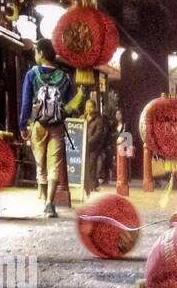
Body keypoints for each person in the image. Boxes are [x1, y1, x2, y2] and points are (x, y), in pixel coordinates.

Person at [19, 37, 77, 217]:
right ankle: (49, 204)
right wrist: (60, 115)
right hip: (57, 126)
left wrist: (23, 124)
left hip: (38, 124)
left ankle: (44, 199)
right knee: (54, 164)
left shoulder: (32, 74)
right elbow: (70, 106)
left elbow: (26, 102)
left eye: (36, 51)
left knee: (40, 162)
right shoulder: (63, 77)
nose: (35, 55)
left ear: (42, 53)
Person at [81, 98, 109, 194]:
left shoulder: (98, 120)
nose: (89, 109)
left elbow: (98, 134)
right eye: (87, 106)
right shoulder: (82, 118)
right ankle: (92, 184)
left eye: (91, 107)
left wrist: (88, 142)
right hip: (82, 146)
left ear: (94, 108)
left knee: (91, 165)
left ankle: (92, 185)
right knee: (84, 166)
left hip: (93, 147)